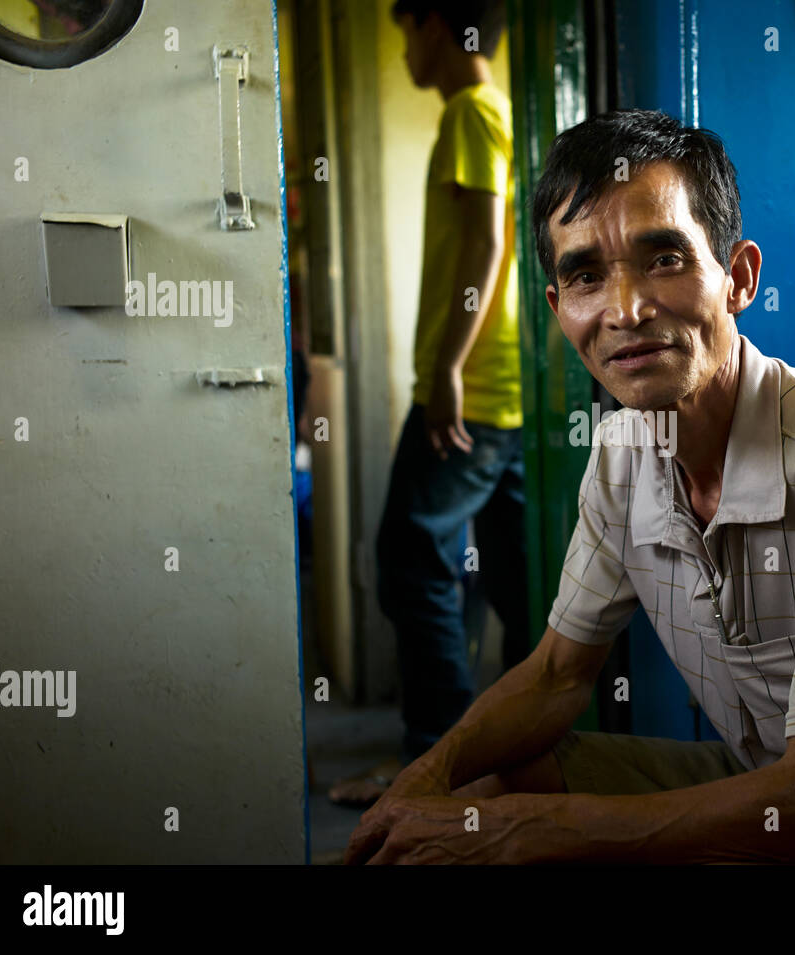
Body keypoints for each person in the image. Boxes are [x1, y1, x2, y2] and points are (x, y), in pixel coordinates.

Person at [344, 109, 795, 863]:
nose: (624, 310)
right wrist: (425, 775)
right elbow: (558, 673)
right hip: (765, 782)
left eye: (664, 259)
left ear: (740, 279)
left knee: (511, 828)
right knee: (489, 782)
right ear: (560, 311)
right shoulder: (624, 448)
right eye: (587, 275)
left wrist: (523, 835)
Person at [328, 0, 527, 807]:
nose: (403, 48)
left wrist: (446, 366)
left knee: (411, 564)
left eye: (405, 29)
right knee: (518, 587)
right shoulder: (498, 110)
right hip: (506, 391)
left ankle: (434, 769)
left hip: (468, 391)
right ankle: (503, 764)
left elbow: (487, 243)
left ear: (437, 26)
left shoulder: (471, 114)